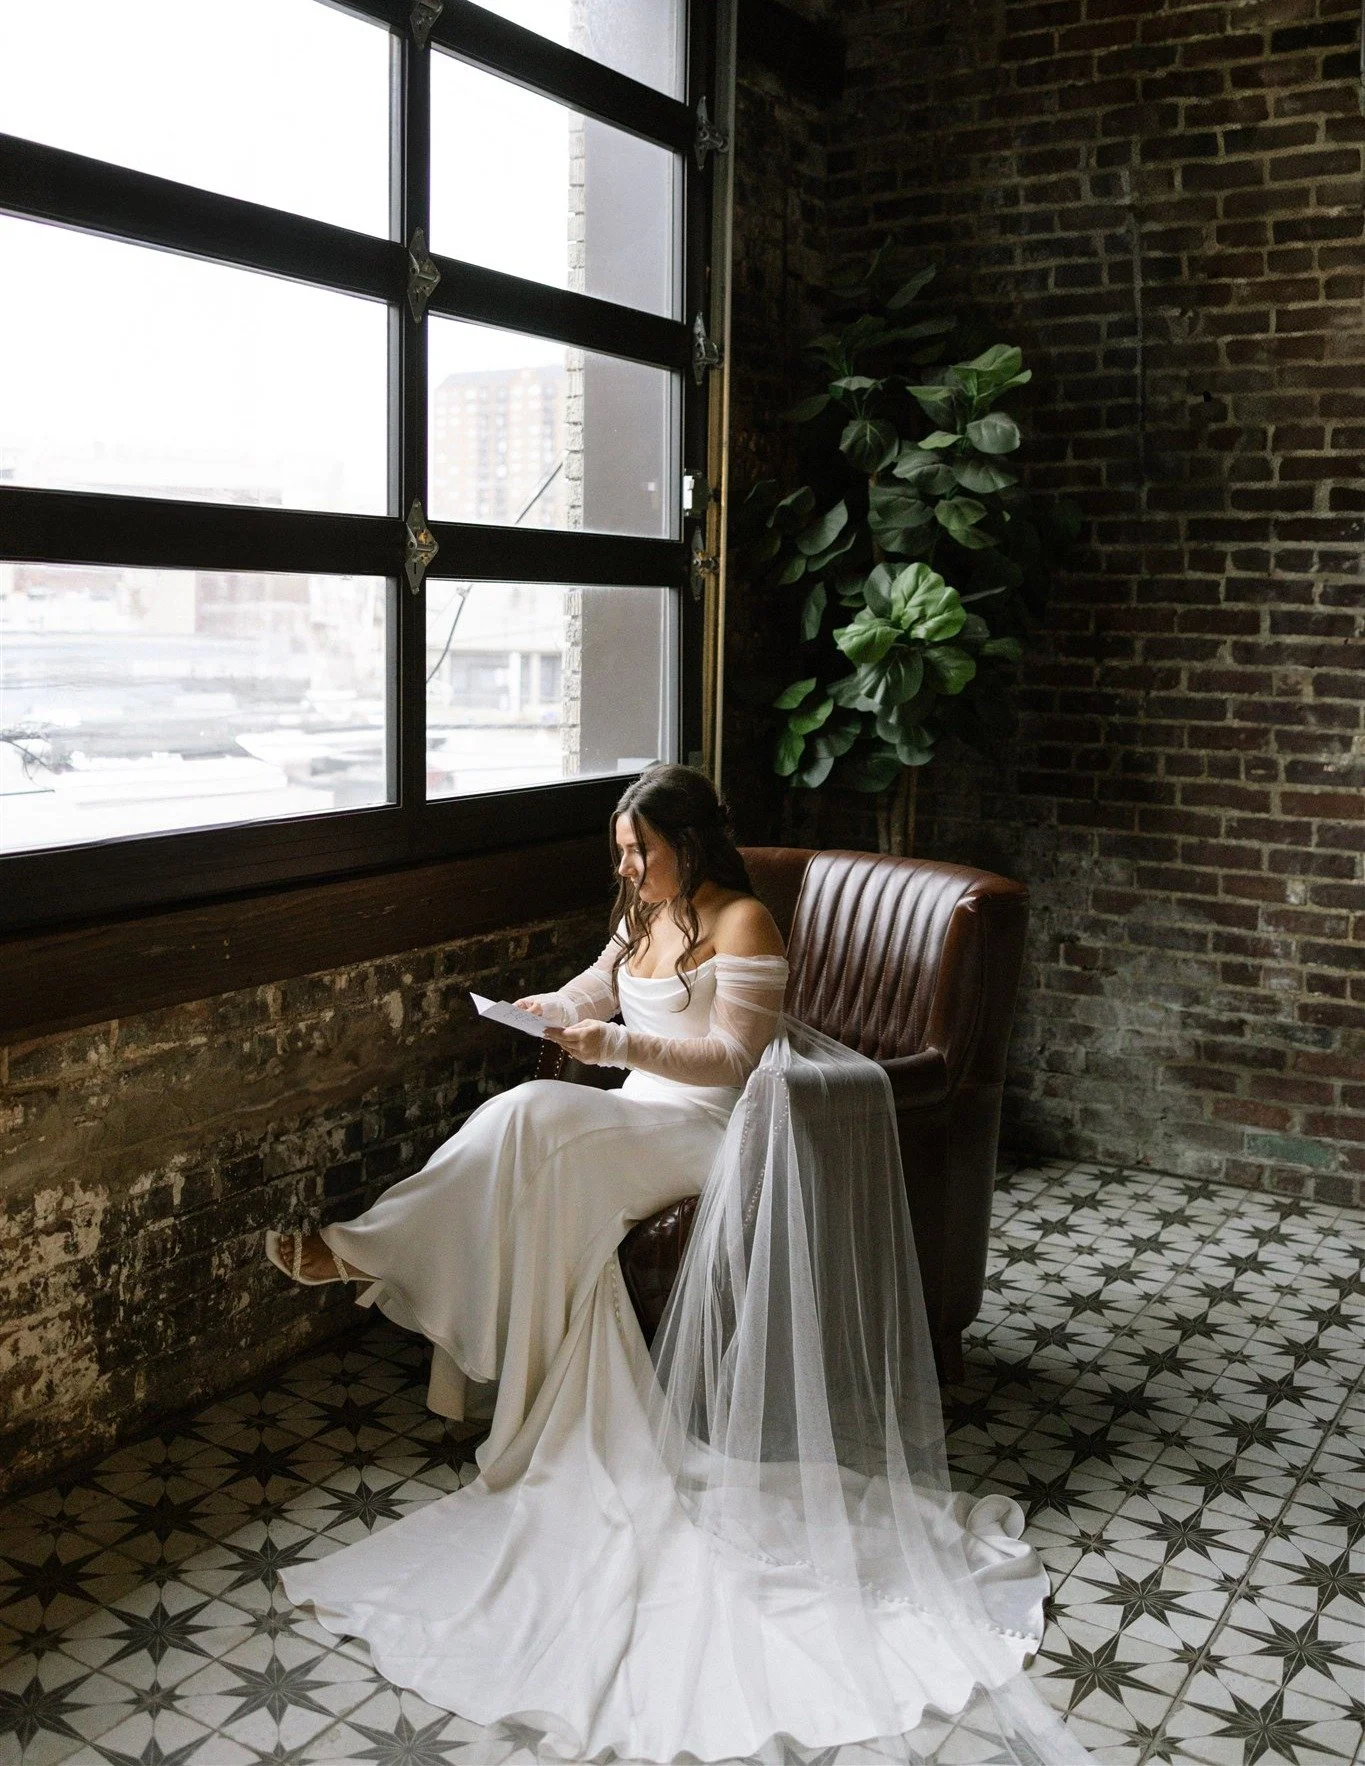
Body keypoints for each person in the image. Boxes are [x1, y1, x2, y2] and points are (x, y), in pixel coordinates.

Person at [267, 764, 1092, 1766]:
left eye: (638, 849)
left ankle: (360, 1251)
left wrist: (612, 1042)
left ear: (688, 844)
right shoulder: (641, 913)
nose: (625, 865)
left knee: (526, 1117)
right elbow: (590, 987)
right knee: (524, 1132)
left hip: (705, 1133)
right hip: (631, 1119)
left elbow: (736, 1061)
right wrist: (546, 1008)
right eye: (620, 850)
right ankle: (434, 1302)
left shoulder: (745, 923)